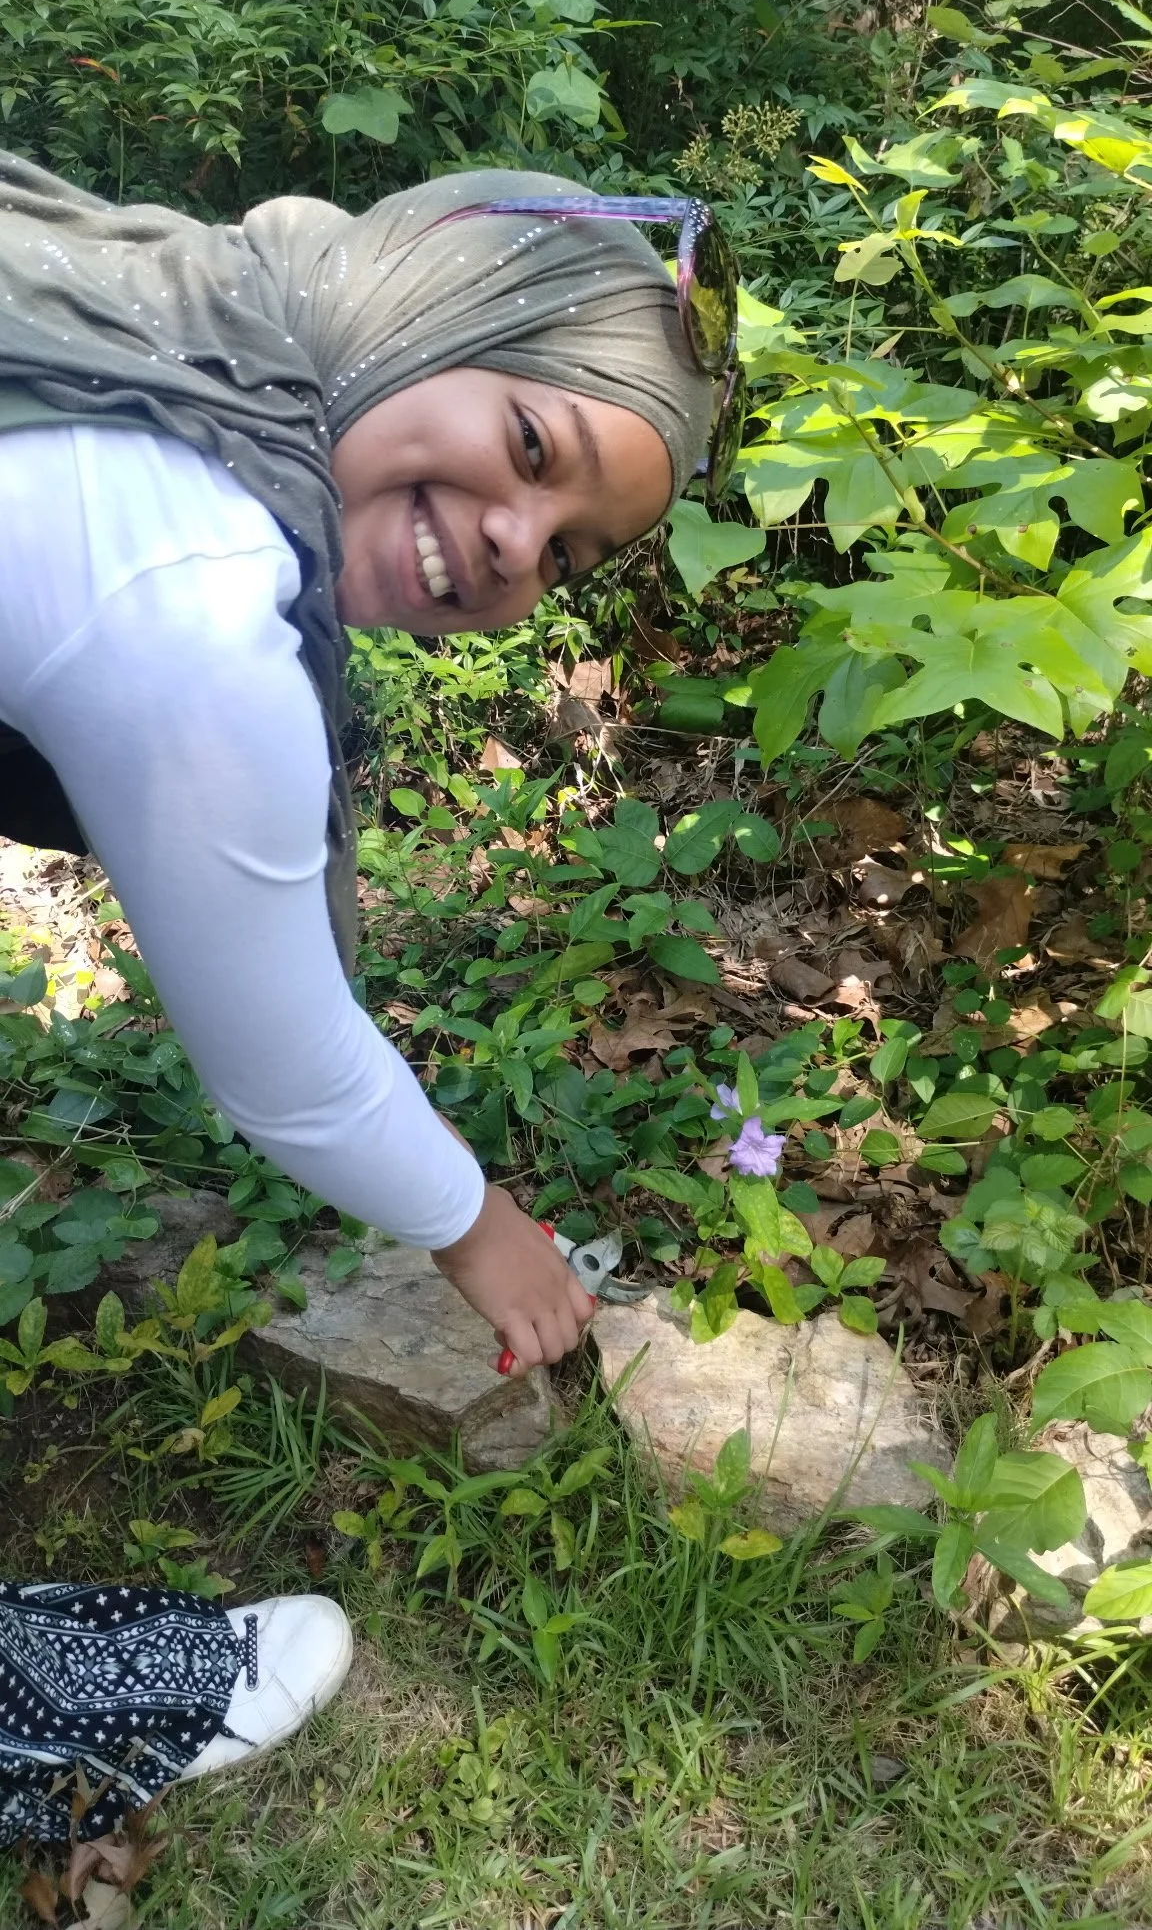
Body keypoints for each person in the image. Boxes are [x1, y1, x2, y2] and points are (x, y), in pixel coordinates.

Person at [0, 154, 743, 1835]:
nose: (508, 547)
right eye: (533, 452)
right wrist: (489, 1231)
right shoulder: (180, 598)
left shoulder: (149, 322)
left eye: (564, 550)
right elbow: (291, 1071)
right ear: (434, 302)